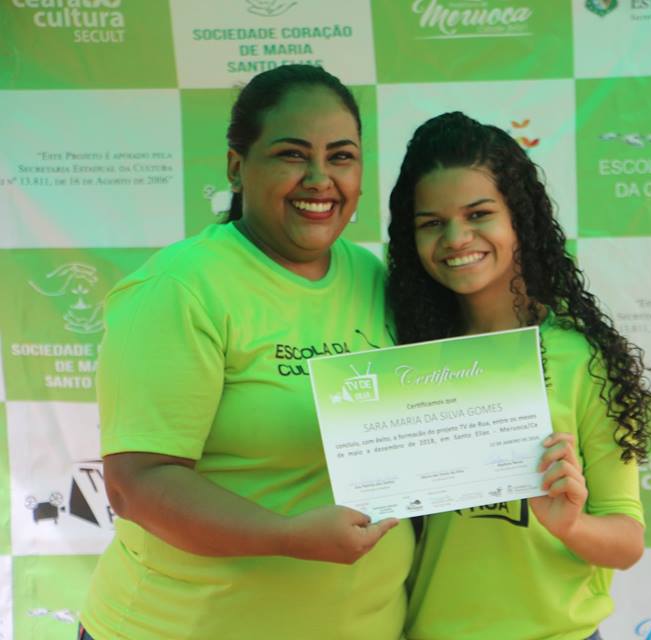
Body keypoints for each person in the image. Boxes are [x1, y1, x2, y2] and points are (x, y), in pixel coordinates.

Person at [79, 65, 412, 640]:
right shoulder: (181, 287)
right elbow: (136, 484)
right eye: (291, 155)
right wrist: (286, 536)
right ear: (237, 167)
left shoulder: (372, 277)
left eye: (341, 157)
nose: (319, 178)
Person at [386, 111, 651, 640]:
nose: (456, 238)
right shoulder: (402, 358)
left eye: (479, 214)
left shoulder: (580, 357)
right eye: (431, 223)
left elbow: (627, 542)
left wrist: (571, 524)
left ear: (519, 219)